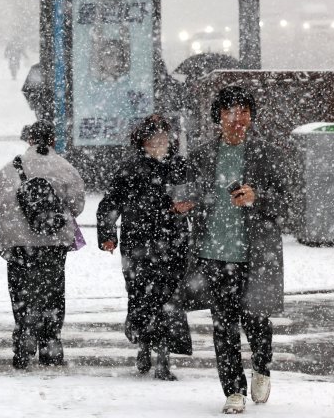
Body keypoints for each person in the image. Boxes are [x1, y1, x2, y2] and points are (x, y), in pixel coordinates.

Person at [186, 86, 287, 414]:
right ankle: (233, 389)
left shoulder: (266, 152)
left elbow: (289, 201)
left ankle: (261, 365)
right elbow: (188, 193)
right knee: (223, 324)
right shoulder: (202, 154)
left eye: (243, 111)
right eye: (230, 112)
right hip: (214, 253)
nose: (237, 118)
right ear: (219, 117)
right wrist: (185, 202)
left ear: (251, 116)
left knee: (257, 321)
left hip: (255, 255)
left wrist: (258, 197)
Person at [96, 114, 193, 381]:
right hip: (138, 245)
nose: (158, 144)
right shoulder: (130, 169)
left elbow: (197, 197)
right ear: (142, 142)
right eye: (153, 139)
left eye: (163, 138)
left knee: (169, 298)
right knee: (140, 296)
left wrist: (191, 207)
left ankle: (163, 356)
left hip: (173, 243)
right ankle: (144, 344)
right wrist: (108, 235)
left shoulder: (181, 167)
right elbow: (110, 203)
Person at [0, 120, 85, 369]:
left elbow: (1, 204)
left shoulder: (9, 170)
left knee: (21, 292)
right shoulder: (65, 168)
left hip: (19, 243)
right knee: (52, 292)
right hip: (53, 243)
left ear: (29, 140)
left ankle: (24, 339)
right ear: (53, 141)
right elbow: (77, 206)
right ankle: (50, 342)